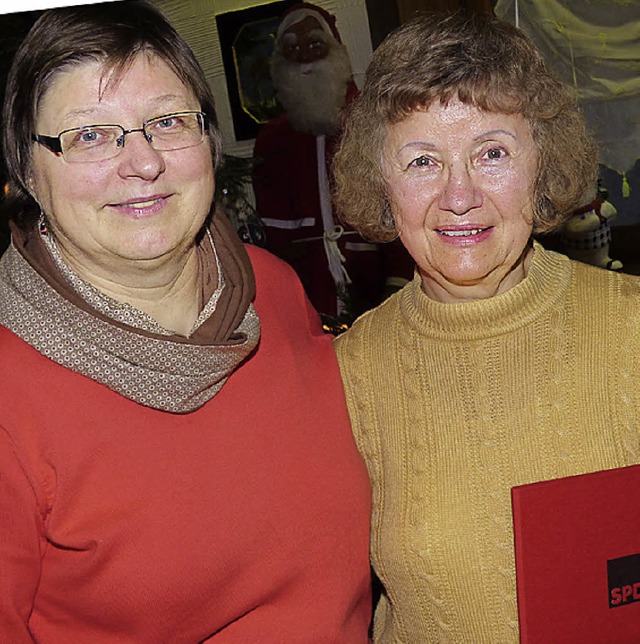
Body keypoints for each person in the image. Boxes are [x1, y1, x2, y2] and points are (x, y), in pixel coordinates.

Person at [0, 2, 372, 641]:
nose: (142, 162)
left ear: (209, 140)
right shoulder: (10, 393)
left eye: (168, 122)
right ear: (27, 170)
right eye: (89, 134)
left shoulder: (273, 290)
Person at [332, 10, 640, 642]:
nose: (459, 194)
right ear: (380, 180)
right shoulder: (348, 370)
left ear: (543, 162)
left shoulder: (631, 326)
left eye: (492, 152)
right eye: (421, 161)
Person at [252, 2, 412, 324]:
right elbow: (276, 238)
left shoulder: (373, 122)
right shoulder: (272, 141)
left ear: (336, 49)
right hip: (308, 297)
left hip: (379, 290)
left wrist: (396, 284)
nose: (304, 57)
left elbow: (400, 210)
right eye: (291, 48)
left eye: (315, 44)